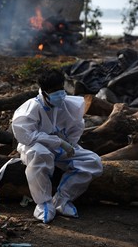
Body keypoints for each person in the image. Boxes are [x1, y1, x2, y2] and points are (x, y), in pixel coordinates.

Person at [12, 68, 103, 224]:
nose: (60, 94)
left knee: (92, 161)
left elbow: (76, 127)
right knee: (41, 155)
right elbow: (26, 136)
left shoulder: (68, 104)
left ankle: (61, 200)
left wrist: (69, 144)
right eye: (54, 91)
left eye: (61, 89)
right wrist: (57, 141)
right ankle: (44, 203)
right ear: (45, 91)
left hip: (61, 149)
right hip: (35, 147)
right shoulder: (32, 107)